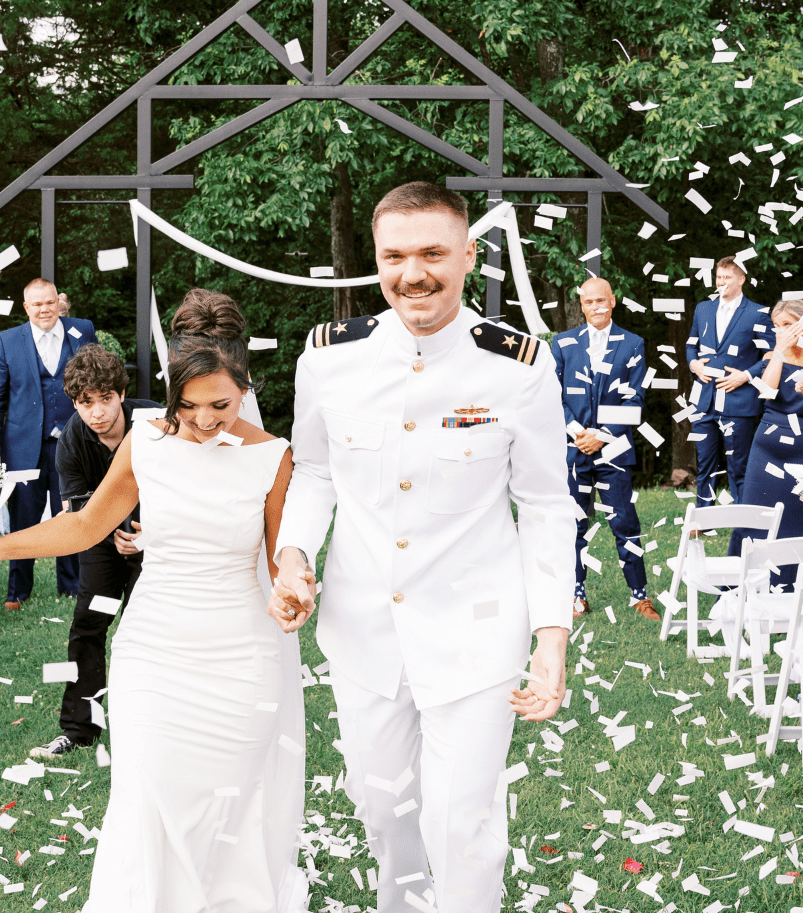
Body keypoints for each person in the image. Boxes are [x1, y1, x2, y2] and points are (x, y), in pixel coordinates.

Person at [271, 182, 576, 913]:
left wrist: (551, 635)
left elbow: (544, 505)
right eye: (396, 256)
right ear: (376, 262)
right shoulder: (328, 360)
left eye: (434, 253)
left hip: (477, 631)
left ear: (469, 255)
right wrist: (294, 556)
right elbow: (313, 471)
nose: (415, 274)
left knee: (461, 822)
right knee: (384, 813)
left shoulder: (519, 365)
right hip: (364, 629)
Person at [0, 289, 307, 912]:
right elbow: (84, 526)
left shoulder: (274, 458)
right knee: (149, 797)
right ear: (171, 389)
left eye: (222, 405)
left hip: (240, 657)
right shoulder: (145, 443)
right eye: (190, 404)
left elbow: (286, 556)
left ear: (246, 385)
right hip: (154, 653)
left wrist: (294, 589)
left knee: (230, 803)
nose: (205, 420)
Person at [30, 344, 162, 759]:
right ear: (75, 403)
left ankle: (155, 724)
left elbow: (191, 486)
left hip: (161, 541)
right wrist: (114, 537)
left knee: (152, 631)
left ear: (122, 394)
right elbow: (79, 514)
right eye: (87, 403)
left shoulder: (156, 421)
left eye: (106, 399)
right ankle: (79, 729)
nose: (98, 412)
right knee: (88, 626)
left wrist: (152, 532)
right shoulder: (71, 439)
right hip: (102, 545)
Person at [0, 279, 94, 607]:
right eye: (37, 304)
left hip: (73, 443)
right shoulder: (8, 340)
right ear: (26, 307)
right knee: (23, 518)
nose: (44, 309)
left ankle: (72, 587)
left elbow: (98, 377)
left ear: (58, 302)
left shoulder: (82, 330)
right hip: (23, 445)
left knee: (72, 513)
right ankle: (18, 591)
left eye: (49, 303)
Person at [550, 278, 655, 620]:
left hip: (614, 451)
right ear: (581, 305)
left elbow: (635, 398)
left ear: (613, 300)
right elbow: (552, 394)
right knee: (574, 525)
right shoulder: (563, 343)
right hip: (573, 448)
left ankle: (639, 596)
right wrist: (579, 432)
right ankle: (575, 596)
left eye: (602, 300)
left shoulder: (633, 343)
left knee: (625, 521)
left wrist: (604, 434)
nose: (596, 307)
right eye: (589, 302)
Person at [728, 300, 803, 588]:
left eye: (788, 325)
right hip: (766, 448)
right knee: (751, 517)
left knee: (797, 522)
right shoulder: (772, 355)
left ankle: (789, 592)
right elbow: (766, 393)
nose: (781, 331)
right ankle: (738, 593)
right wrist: (779, 352)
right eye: (777, 326)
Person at [685, 258, 773, 506]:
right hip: (704, 400)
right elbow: (691, 343)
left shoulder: (758, 313)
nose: (721, 282)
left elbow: (771, 355)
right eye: (718, 277)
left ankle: (742, 520)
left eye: (727, 277)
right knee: (704, 464)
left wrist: (745, 376)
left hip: (739, 399)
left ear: (741, 279)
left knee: (739, 465)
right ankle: (703, 518)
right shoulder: (703, 308)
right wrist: (693, 364)